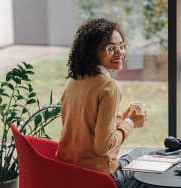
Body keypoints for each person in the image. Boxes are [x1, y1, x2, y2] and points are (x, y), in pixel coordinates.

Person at [56, 18, 152, 187]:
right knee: (153, 165)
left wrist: (122, 118)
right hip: (102, 179)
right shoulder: (109, 87)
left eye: (121, 46)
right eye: (111, 48)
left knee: (143, 151)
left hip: (71, 174)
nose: (119, 52)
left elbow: (87, 130)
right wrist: (130, 122)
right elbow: (103, 147)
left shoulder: (74, 81)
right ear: (92, 52)